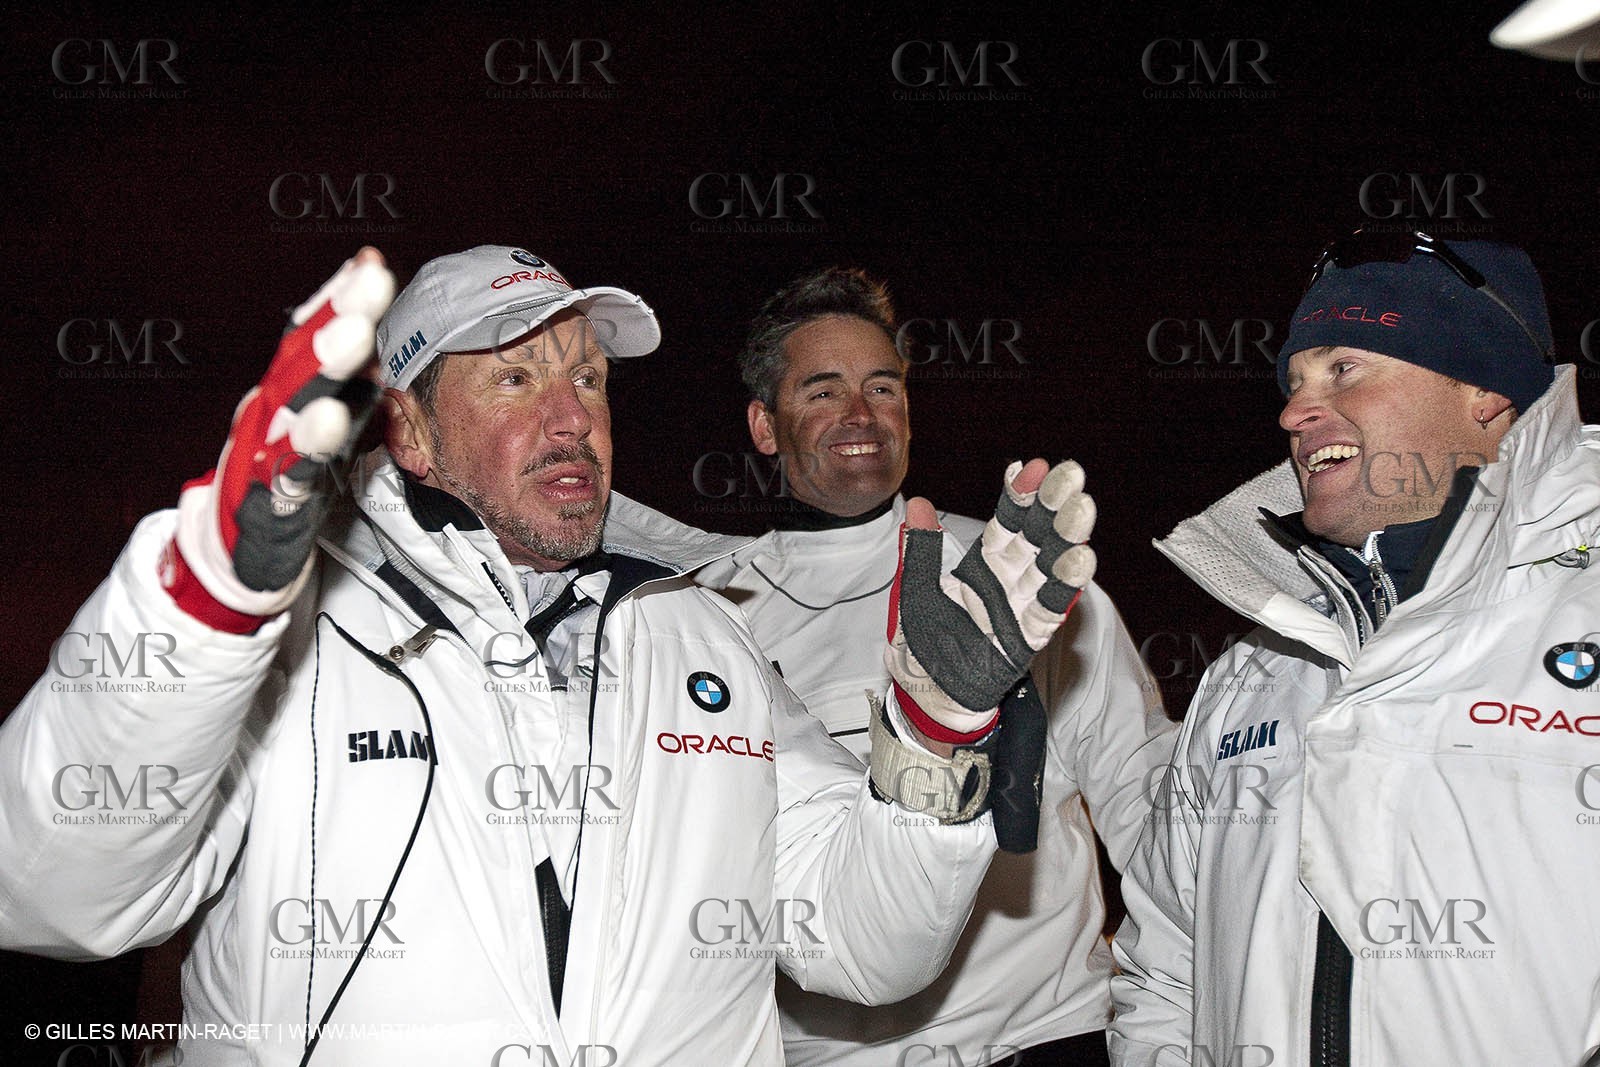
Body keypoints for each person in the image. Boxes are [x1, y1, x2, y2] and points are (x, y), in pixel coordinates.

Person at [0, 246, 1098, 1066]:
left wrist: (935, 736)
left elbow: (866, 945)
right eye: (516, 380)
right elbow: (49, 890)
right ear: (413, 433)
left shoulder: (701, 638)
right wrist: (196, 609)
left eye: (589, 379)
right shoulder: (283, 642)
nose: (573, 417)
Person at [1109, 230, 1600, 1066]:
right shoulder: (1253, 672)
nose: (1294, 411)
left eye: (1345, 368)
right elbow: (1163, 970)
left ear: (1484, 391)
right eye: (1294, 381)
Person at [697, 268, 1175, 1066]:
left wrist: (1171, 1015)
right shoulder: (707, 615)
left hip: (1046, 1038)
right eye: (821, 391)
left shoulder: (1014, 576)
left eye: (883, 386)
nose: (861, 413)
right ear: (764, 425)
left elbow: (1146, 801)